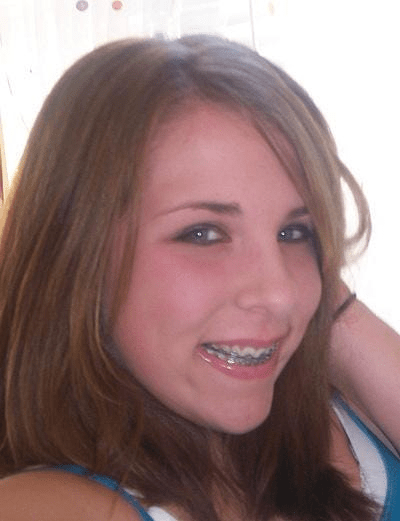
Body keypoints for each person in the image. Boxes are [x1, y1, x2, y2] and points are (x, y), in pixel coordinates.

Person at [0, 35, 399, 521]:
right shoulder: (45, 505)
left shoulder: (349, 417)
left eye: (295, 232)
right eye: (203, 233)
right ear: (76, 253)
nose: (280, 293)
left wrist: (335, 316)